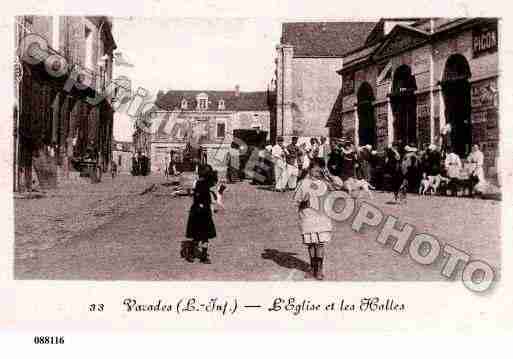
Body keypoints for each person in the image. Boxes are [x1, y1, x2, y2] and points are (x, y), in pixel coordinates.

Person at [293, 157, 333, 280]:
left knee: (320, 244)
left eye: (319, 171)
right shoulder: (303, 183)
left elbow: (339, 186)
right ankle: (312, 267)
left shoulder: (325, 183)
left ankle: (320, 269)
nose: (317, 174)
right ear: (310, 169)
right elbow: (296, 200)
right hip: (308, 217)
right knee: (311, 244)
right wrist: (303, 203)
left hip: (322, 217)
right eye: (315, 171)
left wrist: (328, 176)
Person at [184, 164, 218, 264]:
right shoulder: (206, 184)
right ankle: (199, 254)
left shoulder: (201, 183)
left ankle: (198, 254)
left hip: (200, 212)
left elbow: (192, 192)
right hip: (201, 212)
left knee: (199, 236)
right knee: (203, 237)